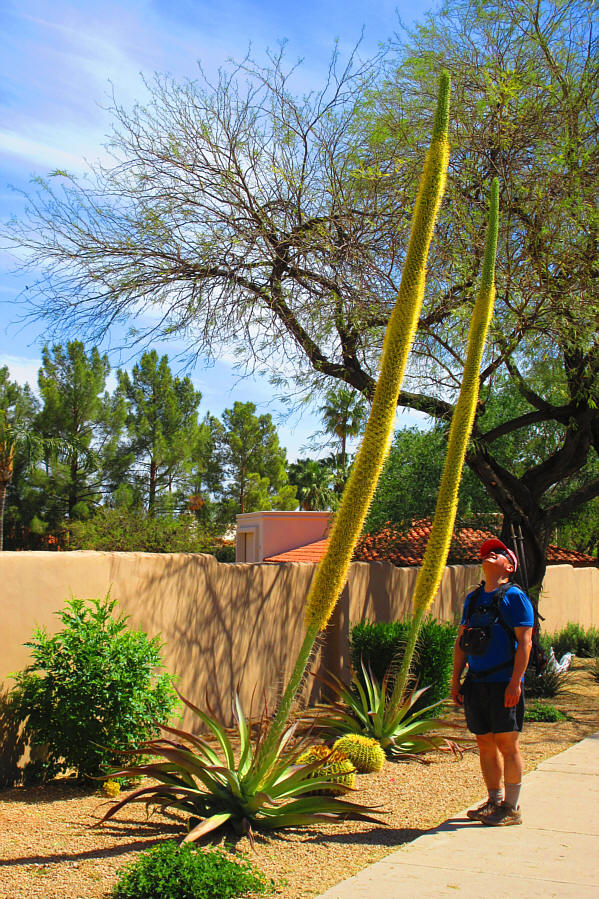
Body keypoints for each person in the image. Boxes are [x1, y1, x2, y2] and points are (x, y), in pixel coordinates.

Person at [451, 537, 534, 826]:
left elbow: (525, 642)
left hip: (503, 683)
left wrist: (516, 682)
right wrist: (455, 679)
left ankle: (511, 808)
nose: (490, 555)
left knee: (507, 744)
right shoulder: (472, 599)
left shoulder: (515, 597)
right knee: (484, 743)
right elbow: (462, 642)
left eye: (498, 553)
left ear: (509, 566)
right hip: (476, 683)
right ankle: (494, 801)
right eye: (488, 552)